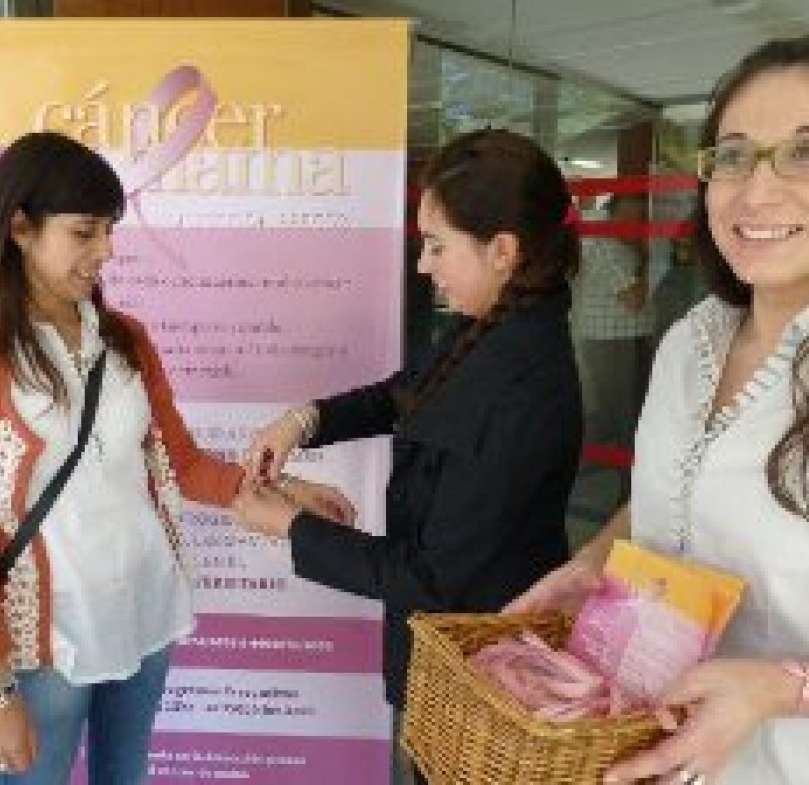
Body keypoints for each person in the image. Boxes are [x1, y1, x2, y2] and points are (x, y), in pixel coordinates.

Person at [506, 33, 809, 785]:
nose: (757, 190)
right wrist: (594, 561)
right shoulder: (695, 337)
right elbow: (677, 486)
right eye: (734, 154)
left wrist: (785, 689)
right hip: (655, 753)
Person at [0, 131, 348, 784]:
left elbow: (184, 463)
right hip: (46, 645)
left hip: (146, 612)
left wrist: (287, 491)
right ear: (20, 228)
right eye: (84, 232)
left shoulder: (125, 340)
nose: (105, 253)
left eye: (109, 231)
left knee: (126, 774)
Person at [232, 128, 584, 784]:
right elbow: (406, 394)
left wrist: (290, 526)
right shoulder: (490, 326)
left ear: (503, 251)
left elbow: (434, 579)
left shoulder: (526, 386)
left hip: (481, 672)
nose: (425, 266)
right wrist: (305, 420)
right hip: (441, 657)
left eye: (439, 246)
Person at [572, 193, 658, 504]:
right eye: (631, 214)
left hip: (621, 341)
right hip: (614, 344)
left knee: (616, 416)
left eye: (641, 216)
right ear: (613, 212)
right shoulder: (603, 247)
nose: (637, 222)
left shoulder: (616, 245)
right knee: (625, 420)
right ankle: (627, 496)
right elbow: (634, 300)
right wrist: (655, 262)